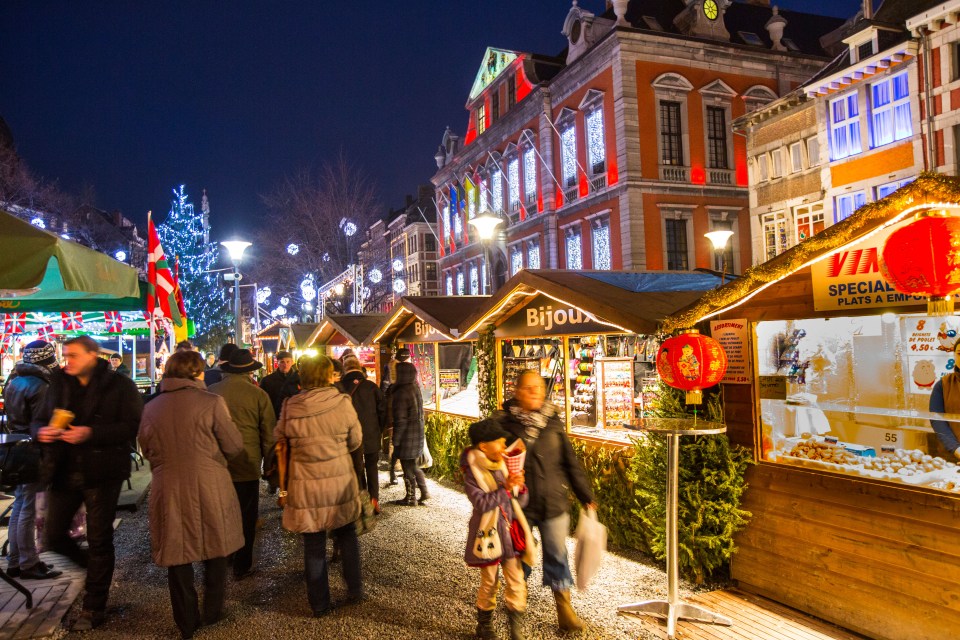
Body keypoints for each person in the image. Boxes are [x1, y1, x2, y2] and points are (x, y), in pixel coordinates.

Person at [34, 335, 143, 631]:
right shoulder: (58, 383)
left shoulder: (119, 385)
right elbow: (38, 419)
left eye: (73, 356)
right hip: (63, 469)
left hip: (102, 472)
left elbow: (132, 426)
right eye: (65, 355)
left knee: (99, 539)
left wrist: (90, 433)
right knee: (53, 537)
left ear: (93, 355)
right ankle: (97, 571)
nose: (67, 360)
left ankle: (94, 606)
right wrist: (42, 431)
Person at [139, 351, 245, 640]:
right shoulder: (212, 403)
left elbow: (146, 448)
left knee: (177, 552)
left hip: (169, 485)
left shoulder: (151, 407)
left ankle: (186, 621)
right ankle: (212, 611)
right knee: (215, 545)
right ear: (198, 373)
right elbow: (234, 445)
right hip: (210, 483)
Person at [497, 369, 596, 632]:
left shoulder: (553, 420)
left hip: (553, 502)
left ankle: (565, 610)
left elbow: (569, 459)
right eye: (529, 388)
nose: (535, 393)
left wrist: (585, 494)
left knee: (557, 554)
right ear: (516, 392)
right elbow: (491, 463)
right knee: (519, 553)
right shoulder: (503, 423)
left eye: (539, 388)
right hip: (520, 505)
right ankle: (516, 601)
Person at [274, 355, 364, 617]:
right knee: (347, 536)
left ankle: (319, 604)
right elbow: (356, 439)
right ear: (328, 376)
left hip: (305, 485)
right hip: (339, 482)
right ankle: (354, 589)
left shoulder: (291, 406)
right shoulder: (342, 402)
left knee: (313, 545)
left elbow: (279, 439)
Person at [207, 349, 276, 579]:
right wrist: (268, 465)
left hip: (217, 464)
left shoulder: (211, 393)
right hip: (248, 462)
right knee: (247, 515)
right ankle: (242, 564)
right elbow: (269, 434)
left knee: (222, 513)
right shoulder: (258, 395)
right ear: (250, 371)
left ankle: (224, 557)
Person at [461, 418, 532, 640]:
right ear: (483, 446)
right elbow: (481, 503)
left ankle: (516, 629)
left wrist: (520, 487)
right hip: (487, 535)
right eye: (499, 443)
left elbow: (518, 502)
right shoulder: (472, 472)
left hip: (509, 533)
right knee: (489, 581)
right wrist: (506, 489)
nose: (503, 448)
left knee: (516, 579)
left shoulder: (503, 464)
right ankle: (484, 625)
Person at [2, 340, 63, 580]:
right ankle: (28, 562)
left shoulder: (14, 380)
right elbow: (44, 422)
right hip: (34, 450)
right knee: (27, 507)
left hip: (17, 449)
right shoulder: (42, 385)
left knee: (20, 504)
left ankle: (15, 560)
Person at [341, 356, 387, 513]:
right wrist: (379, 429)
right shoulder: (371, 387)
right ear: (360, 368)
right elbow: (383, 411)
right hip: (371, 434)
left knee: (356, 468)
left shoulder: (340, 388)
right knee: (372, 467)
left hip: (350, 437)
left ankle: (362, 502)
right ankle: (374, 500)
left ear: (345, 369)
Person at [390, 361, 428, 506]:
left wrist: (396, 439)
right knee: (412, 464)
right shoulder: (415, 388)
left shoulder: (401, 392)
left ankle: (411, 498)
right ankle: (424, 492)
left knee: (408, 467)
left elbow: (401, 420)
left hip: (407, 436)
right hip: (417, 433)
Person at [929, 338, 960, 460]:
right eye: (959, 353)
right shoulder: (943, 384)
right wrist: (955, 448)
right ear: (954, 355)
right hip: (952, 455)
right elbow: (937, 420)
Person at [260, 351, 296, 417]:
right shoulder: (267, 381)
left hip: (294, 416)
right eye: (282, 362)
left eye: (288, 362)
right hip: (275, 417)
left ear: (292, 362)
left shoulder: (299, 379)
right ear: (278, 363)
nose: (285, 365)